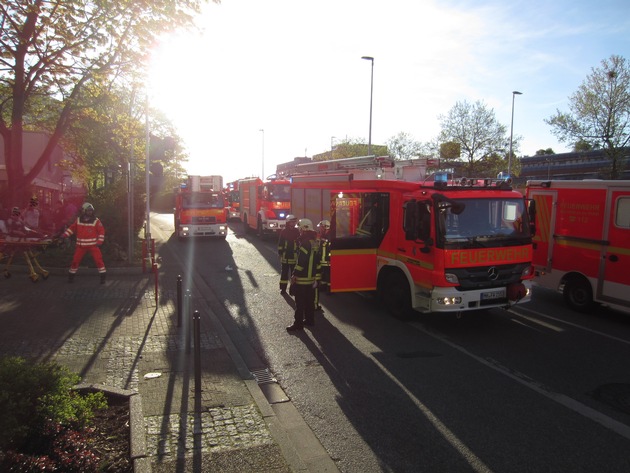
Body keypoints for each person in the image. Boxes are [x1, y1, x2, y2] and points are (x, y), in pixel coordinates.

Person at [287, 218, 321, 331]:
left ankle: (298, 324)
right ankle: (310, 320)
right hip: (311, 278)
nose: (299, 231)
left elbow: (301, 262)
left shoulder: (305, 243)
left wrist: (294, 275)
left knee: (299, 303)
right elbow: (317, 261)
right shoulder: (315, 242)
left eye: (300, 229)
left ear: (304, 229)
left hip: (302, 279)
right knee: (309, 301)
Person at [62, 202, 106, 284]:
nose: (90, 212)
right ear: (84, 211)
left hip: (93, 246)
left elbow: (101, 231)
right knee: (75, 261)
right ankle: (71, 277)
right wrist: (64, 235)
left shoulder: (96, 221)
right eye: (88, 210)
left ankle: (103, 278)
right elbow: (72, 228)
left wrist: (100, 241)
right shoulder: (78, 220)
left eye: (91, 211)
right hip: (81, 246)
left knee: (99, 261)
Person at [277, 214, 300, 294]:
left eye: (294, 222)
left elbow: (299, 244)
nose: (293, 223)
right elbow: (280, 244)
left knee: (294, 275)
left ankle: (293, 289)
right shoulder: (284, 231)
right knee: (284, 274)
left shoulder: (297, 231)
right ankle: (283, 289)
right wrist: (280, 253)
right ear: (288, 222)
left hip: (294, 257)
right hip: (285, 257)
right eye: (291, 222)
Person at [314, 219, 331, 310]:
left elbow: (327, 244)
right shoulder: (324, 235)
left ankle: (329, 289)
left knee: (328, 274)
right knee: (324, 274)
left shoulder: (329, 235)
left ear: (325, 227)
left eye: (321, 227)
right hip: (323, 259)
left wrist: (320, 238)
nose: (320, 228)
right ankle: (324, 287)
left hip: (328, 260)